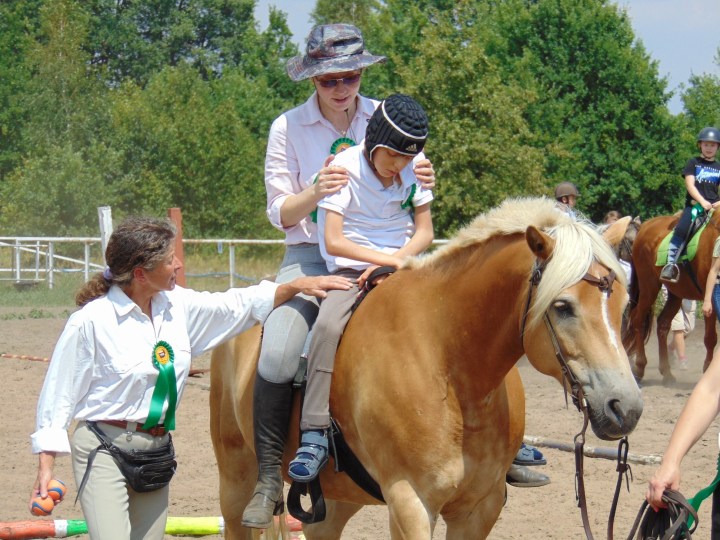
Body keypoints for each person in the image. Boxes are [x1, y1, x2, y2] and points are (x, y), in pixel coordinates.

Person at [29, 216, 351, 540]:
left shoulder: (177, 307)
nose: (179, 265)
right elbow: (58, 396)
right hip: (104, 448)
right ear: (141, 273)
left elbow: (234, 305)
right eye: (170, 260)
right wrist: (46, 469)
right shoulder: (90, 322)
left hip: (156, 450)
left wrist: (295, 286)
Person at [243, 23, 439, 528]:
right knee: (282, 348)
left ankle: (498, 446)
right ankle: (269, 474)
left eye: (349, 76)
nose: (341, 88)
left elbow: (411, 191)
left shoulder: (385, 116)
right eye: (329, 80)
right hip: (313, 255)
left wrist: (426, 176)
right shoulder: (287, 128)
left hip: (393, 253)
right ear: (312, 80)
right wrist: (316, 191)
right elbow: (280, 211)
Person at [287, 94, 435, 482]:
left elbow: (426, 231)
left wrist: (397, 260)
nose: (399, 167)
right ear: (373, 143)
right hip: (351, 269)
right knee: (328, 327)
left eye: (407, 158)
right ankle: (314, 432)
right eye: (392, 158)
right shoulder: (343, 168)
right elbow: (333, 241)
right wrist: (380, 261)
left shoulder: (414, 166)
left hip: (401, 264)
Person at [661, 127, 720, 283]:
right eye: (706, 144)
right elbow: (690, 186)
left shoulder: (719, 167)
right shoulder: (693, 162)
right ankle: (670, 264)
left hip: (714, 208)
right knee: (682, 228)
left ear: (717, 147)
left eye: (712, 145)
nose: (709, 148)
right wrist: (703, 202)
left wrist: (716, 204)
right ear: (700, 145)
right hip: (695, 206)